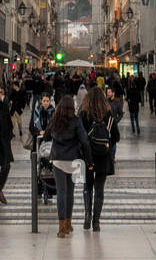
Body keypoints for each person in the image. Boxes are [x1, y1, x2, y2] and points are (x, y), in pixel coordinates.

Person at [48, 94, 93, 238]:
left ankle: (61, 227)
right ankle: (68, 223)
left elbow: (47, 136)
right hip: (74, 161)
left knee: (61, 192)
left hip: (58, 160)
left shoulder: (55, 119)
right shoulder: (76, 121)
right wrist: (89, 160)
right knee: (70, 192)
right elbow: (85, 141)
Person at [79, 86, 118, 231]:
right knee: (99, 188)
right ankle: (96, 221)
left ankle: (87, 216)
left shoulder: (84, 112)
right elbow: (116, 136)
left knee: (87, 186)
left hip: (87, 156)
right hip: (103, 155)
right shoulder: (108, 113)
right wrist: (106, 145)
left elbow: (79, 135)